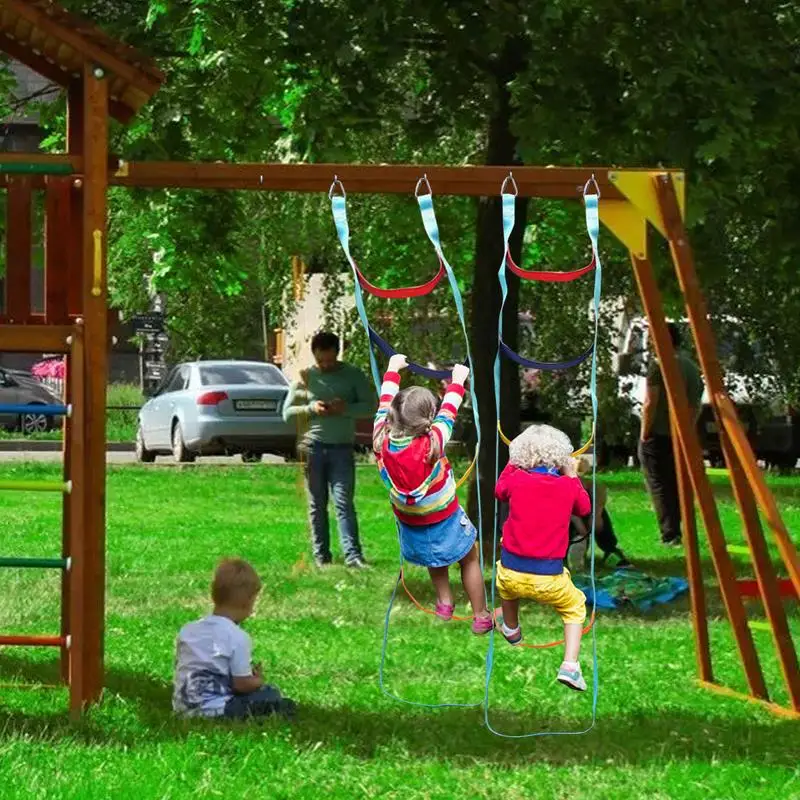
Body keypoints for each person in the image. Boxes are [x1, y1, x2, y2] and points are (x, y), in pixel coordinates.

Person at [373, 353, 493, 635]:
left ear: (392, 415)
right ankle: (481, 616)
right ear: (428, 417)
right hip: (444, 519)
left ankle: (444, 602)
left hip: (412, 523)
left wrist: (392, 369)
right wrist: (459, 381)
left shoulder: (381, 439)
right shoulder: (433, 442)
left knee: (434, 559)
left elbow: (383, 401)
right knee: (470, 558)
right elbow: (450, 410)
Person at [493, 424, 591, 691]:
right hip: (548, 577)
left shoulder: (515, 479)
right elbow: (585, 508)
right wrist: (572, 476)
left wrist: (512, 464)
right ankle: (570, 667)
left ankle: (511, 627)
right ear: (560, 457)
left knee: (507, 587)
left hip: (510, 572)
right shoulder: (566, 486)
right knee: (575, 607)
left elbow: (499, 491)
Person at [283, 331, 374, 568]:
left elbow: (370, 406)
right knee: (317, 504)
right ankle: (321, 556)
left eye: (330, 360)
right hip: (312, 448)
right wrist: (312, 408)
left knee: (344, 502)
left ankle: (353, 556)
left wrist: (345, 408)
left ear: (338, 353)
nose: (325, 365)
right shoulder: (305, 378)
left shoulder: (353, 376)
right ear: (314, 356)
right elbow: (286, 413)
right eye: (321, 361)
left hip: (342, 448)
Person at [173, 559, 296, 720]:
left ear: (213, 595)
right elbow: (241, 685)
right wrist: (257, 680)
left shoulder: (188, 630)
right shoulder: (237, 637)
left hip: (183, 708)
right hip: (219, 710)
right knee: (271, 694)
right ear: (249, 602)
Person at [638, 323, 704, 546]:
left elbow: (650, 402)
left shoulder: (659, 366)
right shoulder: (692, 367)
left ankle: (670, 534)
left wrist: (644, 434)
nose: (649, 342)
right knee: (677, 483)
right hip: (681, 435)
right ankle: (681, 529)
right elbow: (696, 406)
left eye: (651, 337)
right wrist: (686, 429)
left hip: (657, 433)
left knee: (659, 484)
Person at [568, 457, 630, 570]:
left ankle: (610, 551)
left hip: (585, 516)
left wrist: (596, 515)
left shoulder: (592, 486)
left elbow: (599, 498)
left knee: (599, 517)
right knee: (573, 531)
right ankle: (574, 547)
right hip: (566, 520)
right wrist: (578, 523)